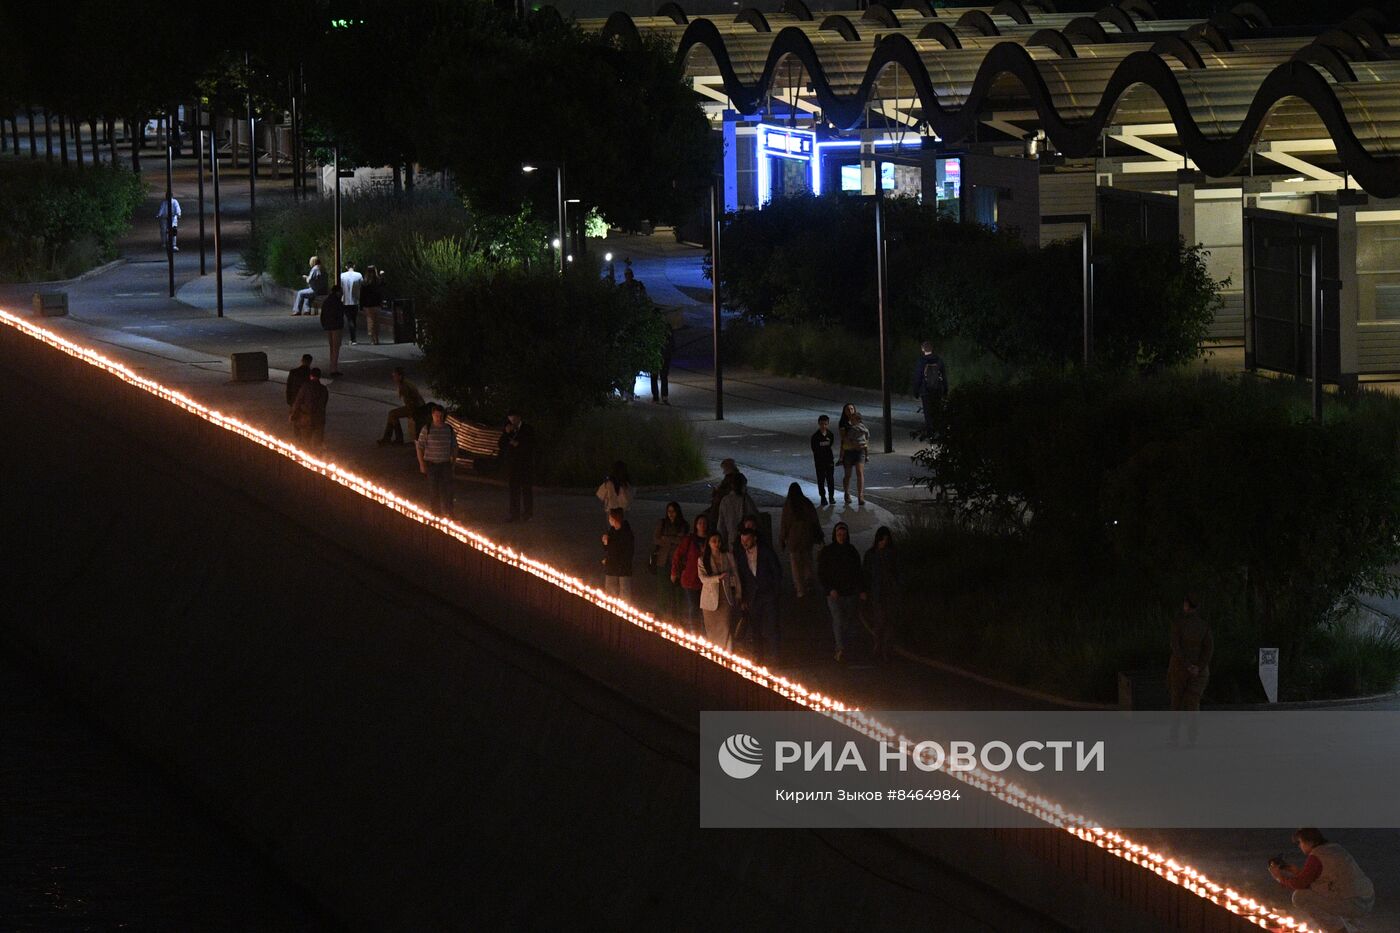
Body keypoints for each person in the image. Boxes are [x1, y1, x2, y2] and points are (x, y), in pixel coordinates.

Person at [1269, 829, 1374, 933]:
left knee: (1300, 897)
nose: (1299, 846)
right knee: (1315, 891)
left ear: (1310, 842)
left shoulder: (1317, 856)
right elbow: (1322, 879)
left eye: (1300, 842)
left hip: (1353, 903)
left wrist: (1279, 877)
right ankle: (1349, 925)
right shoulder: (1334, 848)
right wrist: (1295, 871)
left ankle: (1338, 930)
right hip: (1366, 898)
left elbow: (1300, 884)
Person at [733, 524, 782, 660]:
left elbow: (777, 572)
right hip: (752, 597)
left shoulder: (766, 551)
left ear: (754, 539)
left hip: (767, 594)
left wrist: (774, 592)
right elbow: (741, 577)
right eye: (742, 541)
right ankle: (758, 656)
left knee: (771, 626)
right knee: (755, 628)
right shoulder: (741, 555)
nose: (744, 544)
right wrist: (743, 598)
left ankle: (775, 656)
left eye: (747, 540)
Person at [1168, 595, 1213, 745]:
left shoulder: (1179, 625)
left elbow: (1176, 647)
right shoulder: (1204, 626)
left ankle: (1174, 735)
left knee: (1177, 703)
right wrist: (1198, 666)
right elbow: (1208, 649)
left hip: (1179, 669)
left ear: (1186, 606)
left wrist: (1187, 665)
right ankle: (1192, 737)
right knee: (1193, 704)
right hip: (1198, 672)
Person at [819, 521, 865, 662]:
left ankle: (848, 647)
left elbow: (858, 572)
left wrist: (860, 589)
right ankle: (840, 648)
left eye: (844, 534)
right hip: (834, 594)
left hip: (849, 593)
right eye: (839, 534)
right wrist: (829, 589)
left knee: (849, 622)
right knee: (838, 620)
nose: (841, 537)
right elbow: (822, 573)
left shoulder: (851, 551)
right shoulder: (828, 552)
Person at [780, 482, 823, 599]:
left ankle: (800, 589)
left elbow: (784, 524)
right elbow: (814, 520)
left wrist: (782, 539)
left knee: (795, 564)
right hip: (807, 537)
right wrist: (819, 536)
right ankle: (809, 583)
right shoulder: (807, 503)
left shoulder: (788, 505)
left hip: (793, 539)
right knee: (808, 560)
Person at [864, 526, 900, 663]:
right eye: (882, 540)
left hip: (888, 592)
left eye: (886, 540)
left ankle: (884, 649)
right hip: (877, 593)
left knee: (888, 621)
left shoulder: (892, 554)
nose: (884, 543)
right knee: (880, 621)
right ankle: (878, 646)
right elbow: (866, 573)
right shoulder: (872, 554)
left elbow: (896, 572)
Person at [415, 403, 458, 517]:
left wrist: (453, 462)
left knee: (448, 489)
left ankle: (449, 511)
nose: (438, 418)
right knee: (434, 489)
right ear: (432, 415)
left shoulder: (448, 429)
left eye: (440, 415)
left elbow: (454, 446)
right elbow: (420, 447)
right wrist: (421, 464)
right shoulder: (427, 429)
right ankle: (436, 513)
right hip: (431, 464)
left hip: (445, 463)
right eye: (436, 415)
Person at [697, 531, 739, 649]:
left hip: (725, 596)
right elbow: (703, 578)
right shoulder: (702, 560)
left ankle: (728, 652)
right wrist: (717, 578)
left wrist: (737, 590)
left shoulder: (728, 556)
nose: (717, 544)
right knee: (711, 629)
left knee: (726, 626)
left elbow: (735, 574)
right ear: (709, 543)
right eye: (714, 541)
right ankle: (714, 652)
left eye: (719, 541)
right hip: (709, 598)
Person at [671, 513, 710, 632]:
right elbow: (677, 555)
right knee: (693, 607)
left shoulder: (711, 540)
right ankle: (695, 633)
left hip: (707, 581)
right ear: (696, 525)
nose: (702, 525)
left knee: (705, 609)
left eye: (704, 523)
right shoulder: (689, 540)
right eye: (700, 523)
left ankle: (705, 633)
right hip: (690, 579)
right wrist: (674, 572)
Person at [652, 502, 689, 620]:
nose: (671, 514)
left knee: (676, 590)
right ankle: (662, 615)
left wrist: (667, 538)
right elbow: (656, 539)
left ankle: (676, 616)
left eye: (673, 511)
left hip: (677, 561)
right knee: (662, 589)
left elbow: (682, 541)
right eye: (669, 511)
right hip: (663, 561)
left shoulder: (683, 524)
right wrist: (673, 539)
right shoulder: (662, 523)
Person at [499, 412, 535, 522]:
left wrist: (518, 445)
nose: (512, 420)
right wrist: (506, 433)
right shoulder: (508, 429)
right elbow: (501, 444)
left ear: (519, 417)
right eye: (510, 418)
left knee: (526, 489)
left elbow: (531, 445)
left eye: (514, 418)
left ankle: (527, 514)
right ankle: (514, 514)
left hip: (525, 464)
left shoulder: (527, 429)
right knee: (514, 489)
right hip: (513, 464)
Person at [379, 367, 426, 447]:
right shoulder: (407, 383)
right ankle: (388, 438)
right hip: (419, 406)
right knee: (392, 414)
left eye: (395, 376)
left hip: (416, 408)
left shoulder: (403, 386)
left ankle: (397, 438)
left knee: (392, 414)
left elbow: (410, 402)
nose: (393, 378)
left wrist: (411, 414)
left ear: (400, 376)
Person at [912, 340, 949, 438]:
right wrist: (945, 390)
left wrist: (916, 391)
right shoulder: (939, 360)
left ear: (923, 349)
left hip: (926, 391)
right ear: (932, 348)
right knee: (937, 411)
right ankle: (939, 433)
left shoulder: (921, 361)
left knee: (928, 413)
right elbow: (943, 376)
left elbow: (918, 377)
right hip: (937, 390)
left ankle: (930, 433)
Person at [716, 471, 759, 553]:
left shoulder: (725, 500)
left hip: (731, 537)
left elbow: (721, 524)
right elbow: (755, 516)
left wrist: (721, 540)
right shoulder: (745, 499)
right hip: (746, 537)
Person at [289, 367, 328, 448]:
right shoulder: (324, 389)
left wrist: (293, 414)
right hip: (319, 419)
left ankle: (307, 454)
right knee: (317, 442)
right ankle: (317, 456)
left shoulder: (305, 387)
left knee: (306, 441)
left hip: (306, 418)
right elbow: (324, 403)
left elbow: (298, 401)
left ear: (310, 376)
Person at [601, 507, 635, 601]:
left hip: (623, 567)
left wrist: (610, 558)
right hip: (611, 567)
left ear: (615, 519)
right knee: (610, 593)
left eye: (610, 518)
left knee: (624, 594)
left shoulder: (627, 533)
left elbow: (626, 552)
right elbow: (607, 549)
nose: (609, 520)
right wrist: (605, 542)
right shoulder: (612, 531)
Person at [839, 404, 870, 505]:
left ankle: (860, 496)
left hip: (859, 451)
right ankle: (847, 493)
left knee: (859, 472)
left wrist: (864, 445)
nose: (850, 411)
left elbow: (865, 435)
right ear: (844, 411)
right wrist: (853, 444)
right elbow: (844, 438)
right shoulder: (843, 424)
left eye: (852, 409)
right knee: (848, 474)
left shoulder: (858, 422)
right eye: (848, 409)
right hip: (848, 451)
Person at [319, 284, 346, 378]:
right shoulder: (338, 302)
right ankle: (334, 368)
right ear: (338, 292)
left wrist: (324, 324)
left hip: (328, 326)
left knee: (332, 347)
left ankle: (332, 366)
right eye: (341, 291)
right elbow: (340, 314)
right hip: (336, 326)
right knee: (336, 347)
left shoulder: (327, 301)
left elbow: (323, 314)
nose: (342, 293)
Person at [811, 414, 837, 506]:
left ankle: (831, 497)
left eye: (825, 424)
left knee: (830, 479)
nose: (823, 426)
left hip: (829, 460)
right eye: (822, 424)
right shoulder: (815, 436)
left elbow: (830, 445)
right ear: (819, 424)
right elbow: (814, 449)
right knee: (821, 480)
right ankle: (823, 497)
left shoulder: (830, 434)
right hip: (819, 461)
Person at [650, 323, 675, 405]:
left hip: (655, 355)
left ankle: (656, 398)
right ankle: (664, 397)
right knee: (663, 377)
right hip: (665, 356)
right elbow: (671, 342)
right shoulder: (667, 326)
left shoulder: (651, 327)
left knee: (654, 377)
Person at [340, 261, 363, 345]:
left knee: (350, 319)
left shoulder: (342, 276)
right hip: (355, 300)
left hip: (345, 300)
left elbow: (340, 288)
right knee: (353, 319)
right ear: (354, 266)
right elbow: (362, 286)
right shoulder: (359, 275)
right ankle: (353, 338)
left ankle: (353, 339)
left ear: (346, 267)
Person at [361, 265, 386, 345]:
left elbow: (362, 295)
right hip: (377, 303)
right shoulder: (378, 281)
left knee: (370, 321)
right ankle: (377, 338)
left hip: (368, 304)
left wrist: (361, 305)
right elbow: (383, 286)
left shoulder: (365, 283)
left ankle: (372, 339)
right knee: (377, 321)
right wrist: (382, 275)